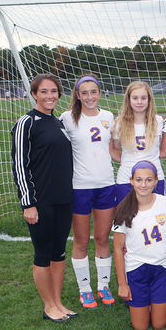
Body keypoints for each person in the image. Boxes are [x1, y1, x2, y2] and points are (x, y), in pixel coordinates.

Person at [12, 73, 76, 322]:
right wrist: (28, 203)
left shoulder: (58, 122)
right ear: (34, 94)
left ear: (59, 94)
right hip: (40, 201)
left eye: (54, 92)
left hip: (63, 198)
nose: (49, 96)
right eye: (44, 91)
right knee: (43, 253)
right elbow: (20, 166)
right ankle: (48, 305)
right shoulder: (26, 123)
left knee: (58, 252)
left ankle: (59, 303)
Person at [59, 74, 119, 309]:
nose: (89, 97)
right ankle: (85, 290)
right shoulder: (67, 118)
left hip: (106, 184)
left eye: (93, 92)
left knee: (103, 238)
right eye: (84, 93)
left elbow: (112, 150)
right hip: (80, 187)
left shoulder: (108, 117)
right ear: (77, 95)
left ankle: (103, 286)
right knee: (82, 240)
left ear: (100, 93)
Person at [112, 161, 166, 330]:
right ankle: (146, 302)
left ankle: (153, 301)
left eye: (148, 180)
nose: (143, 184)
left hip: (162, 267)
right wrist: (122, 284)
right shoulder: (123, 210)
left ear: (156, 181)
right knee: (140, 327)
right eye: (139, 180)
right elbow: (118, 249)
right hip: (136, 269)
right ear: (131, 181)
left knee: (158, 325)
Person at [112, 81, 165, 205]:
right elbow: (114, 150)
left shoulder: (158, 121)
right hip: (127, 178)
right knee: (127, 219)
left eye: (143, 98)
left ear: (149, 99)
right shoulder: (120, 123)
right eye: (135, 98)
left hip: (154, 177)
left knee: (155, 218)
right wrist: (129, 161)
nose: (139, 102)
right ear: (128, 100)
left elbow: (165, 148)